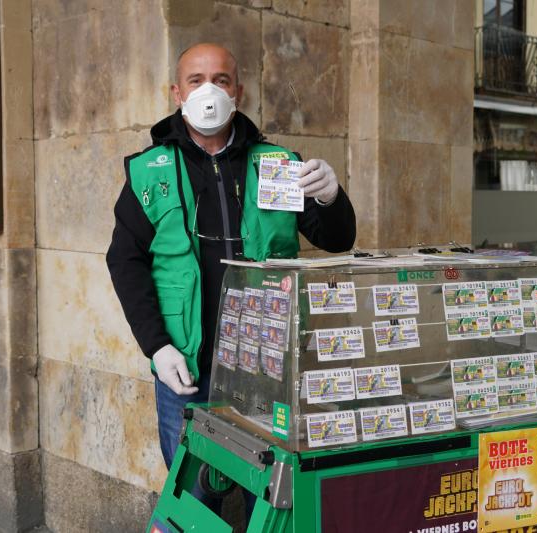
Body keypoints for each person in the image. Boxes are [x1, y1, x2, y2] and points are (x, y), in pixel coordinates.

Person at [106, 42, 356, 486]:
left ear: (238, 90)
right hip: (188, 369)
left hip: (270, 369)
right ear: (176, 93)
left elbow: (336, 239)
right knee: (196, 493)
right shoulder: (151, 171)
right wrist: (157, 347)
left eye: (220, 80)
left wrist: (330, 196)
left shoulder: (277, 164)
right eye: (196, 81)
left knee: (275, 493)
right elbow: (125, 262)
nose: (209, 91)